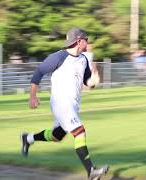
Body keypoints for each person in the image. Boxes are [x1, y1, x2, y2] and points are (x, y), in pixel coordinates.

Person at [20, 27, 109, 180]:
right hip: (61, 103)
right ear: (79, 41)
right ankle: (91, 171)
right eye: (86, 40)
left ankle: (28, 139)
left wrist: (94, 81)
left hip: (73, 105)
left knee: (57, 135)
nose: (88, 43)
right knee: (79, 132)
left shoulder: (84, 59)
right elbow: (38, 72)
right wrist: (32, 96)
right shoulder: (58, 57)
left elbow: (87, 82)